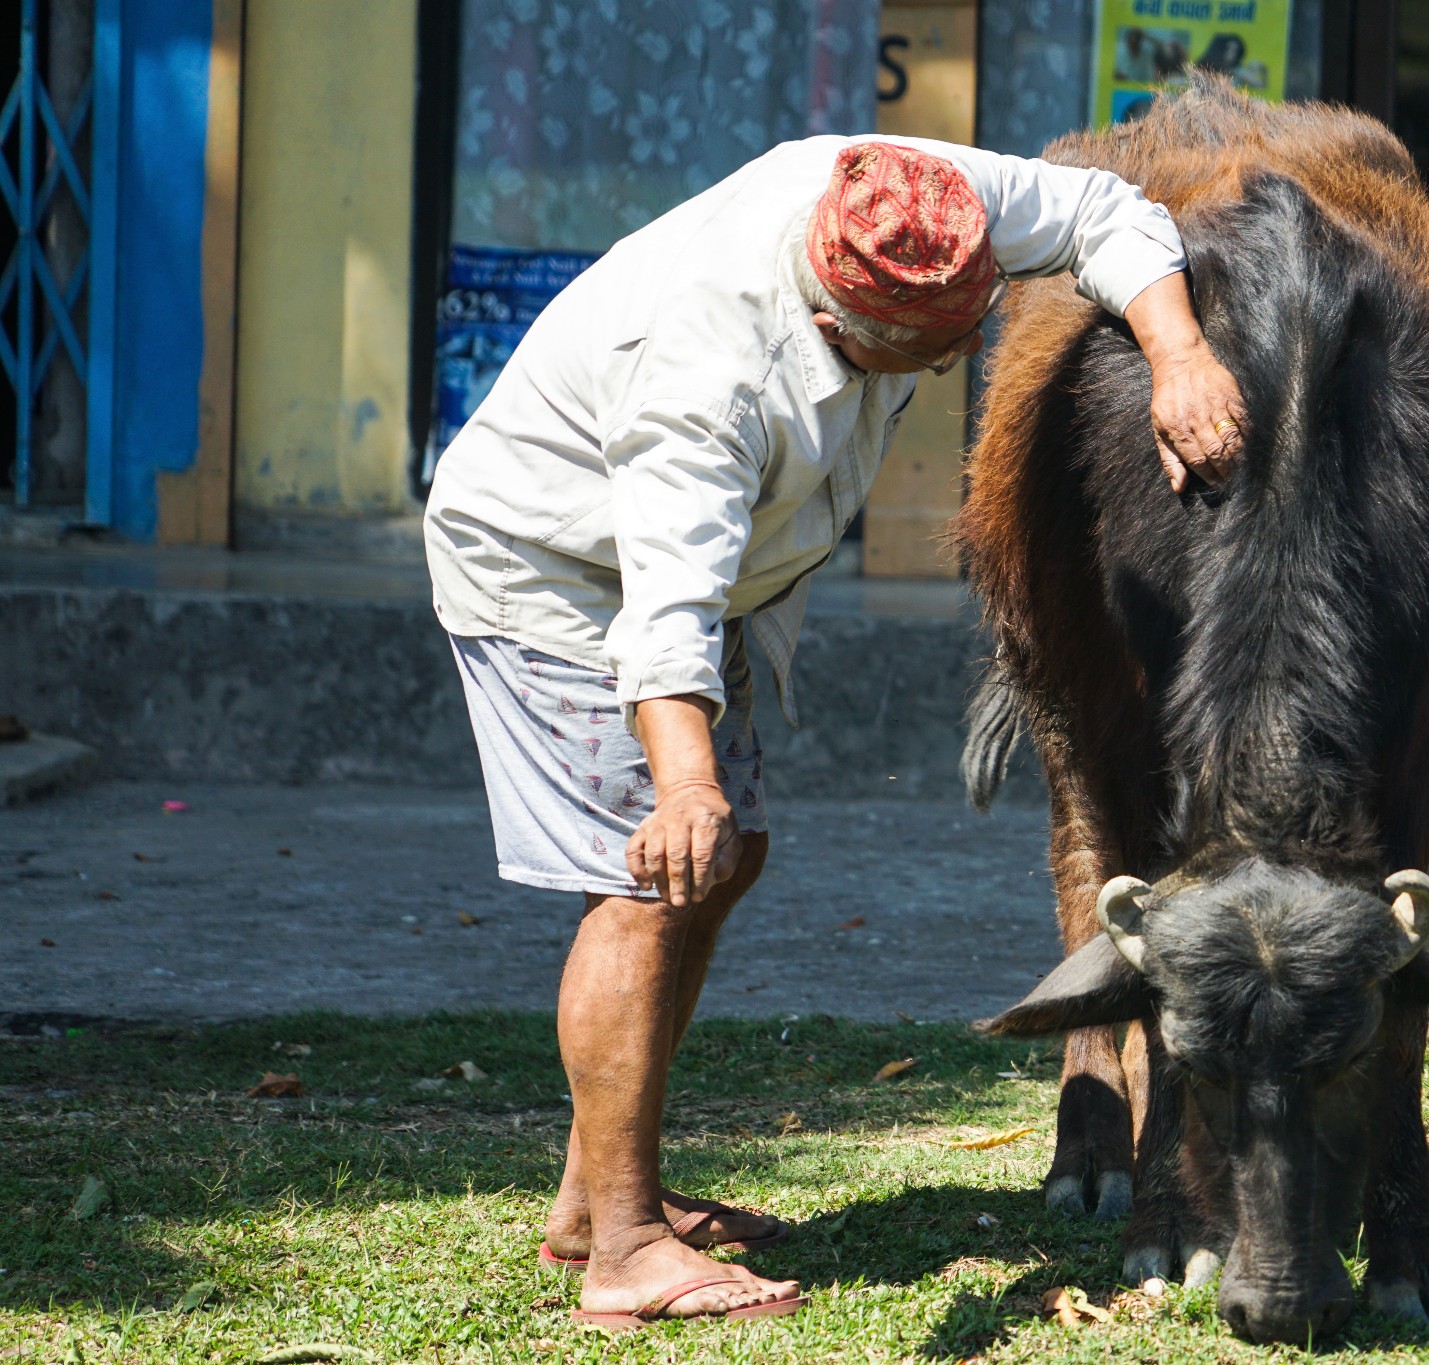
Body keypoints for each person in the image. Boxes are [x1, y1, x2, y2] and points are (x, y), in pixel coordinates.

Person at [422, 136, 1246, 1330]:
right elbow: (666, 618)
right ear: (841, 321)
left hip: (716, 578)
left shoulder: (910, 197)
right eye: (936, 344)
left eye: (975, 318)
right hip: (561, 573)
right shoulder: (706, 382)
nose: (969, 349)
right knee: (650, 881)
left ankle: (595, 1199)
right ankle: (620, 1250)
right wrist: (685, 783)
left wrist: (1176, 355)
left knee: (731, 858)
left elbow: (1103, 210)